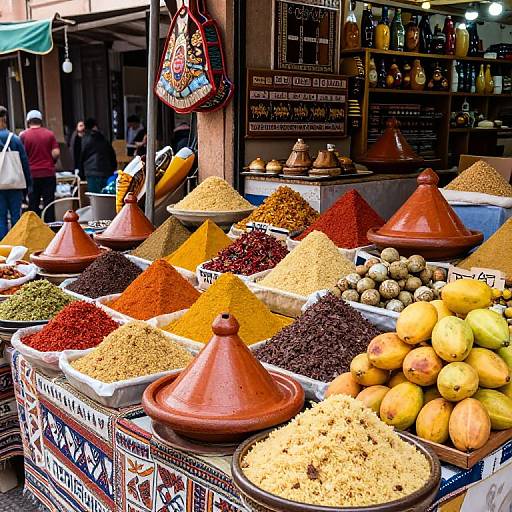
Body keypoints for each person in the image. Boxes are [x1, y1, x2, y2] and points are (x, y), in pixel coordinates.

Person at [20, 110, 60, 222]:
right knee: (49, 203)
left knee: (33, 204)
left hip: (31, 174)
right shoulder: (49, 134)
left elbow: (20, 155)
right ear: (41, 121)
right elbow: (56, 152)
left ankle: (36, 229)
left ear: (28, 121)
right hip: (48, 173)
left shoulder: (23, 135)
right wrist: (52, 161)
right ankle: (50, 228)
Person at [0, 107, 31, 238]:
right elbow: (24, 163)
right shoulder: (15, 139)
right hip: (15, 184)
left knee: (0, 217)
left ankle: (2, 245)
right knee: (15, 216)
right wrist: (28, 185)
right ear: (5, 119)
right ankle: (17, 243)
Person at [80, 118, 117, 193]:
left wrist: (81, 174)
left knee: (95, 198)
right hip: (106, 172)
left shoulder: (85, 139)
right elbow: (112, 155)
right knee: (105, 196)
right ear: (95, 126)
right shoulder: (104, 139)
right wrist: (112, 169)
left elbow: (81, 157)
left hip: (91, 173)